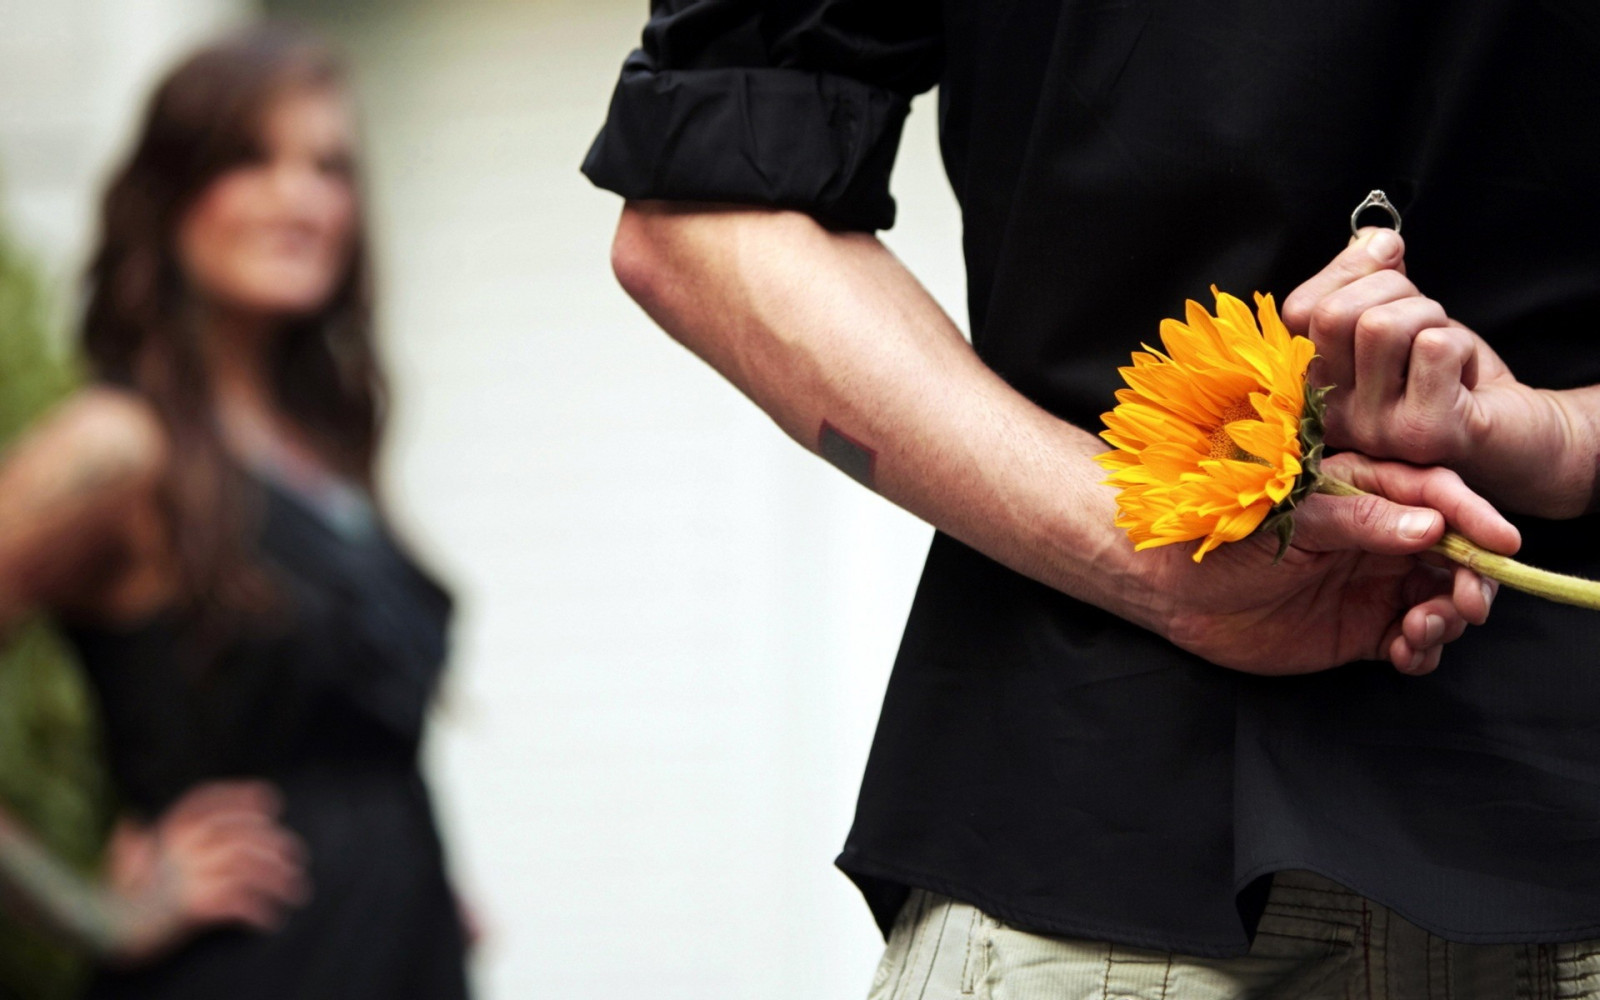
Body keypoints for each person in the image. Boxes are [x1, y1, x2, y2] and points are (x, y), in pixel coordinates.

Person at [582, 1, 1600, 995]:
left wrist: (1555, 440)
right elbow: (697, 219)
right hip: (1105, 846)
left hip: (1087, 825)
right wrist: (1163, 557)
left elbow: (701, 211)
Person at [0, 25, 470, 999]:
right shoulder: (118, 447)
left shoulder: (327, 449)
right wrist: (93, 910)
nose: (299, 198)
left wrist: (415, 882)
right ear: (168, 197)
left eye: (329, 167)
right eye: (250, 159)